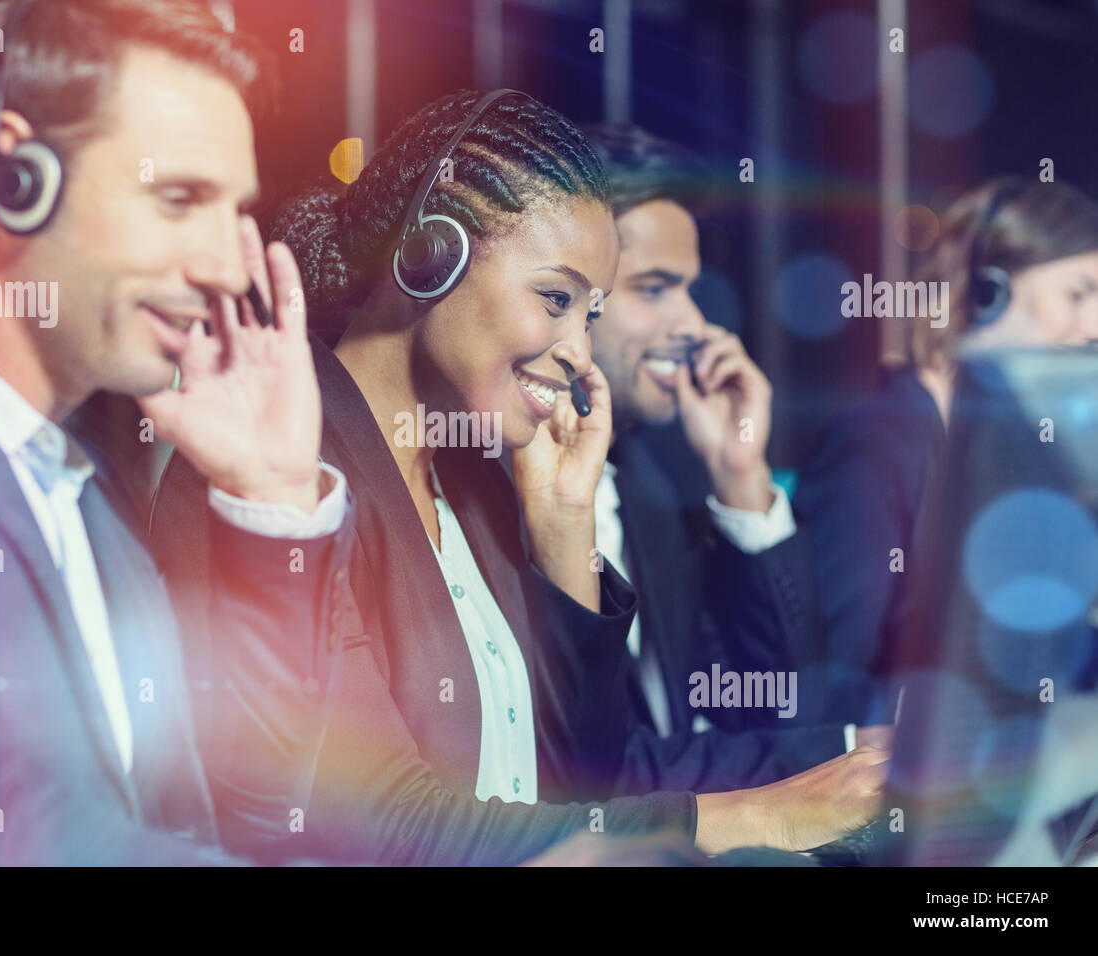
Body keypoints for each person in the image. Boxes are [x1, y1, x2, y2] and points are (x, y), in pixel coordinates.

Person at [153, 89, 888, 866]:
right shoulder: (277, 467)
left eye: (591, 315)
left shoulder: (476, 489)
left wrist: (563, 524)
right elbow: (379, 830)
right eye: (556, 298)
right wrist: (751, 819)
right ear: (428, 255)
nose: (578, 348)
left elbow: (586, 779)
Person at [0, 0, 353, 865]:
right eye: (178, 200)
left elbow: (246, 824)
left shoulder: (74, 496)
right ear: (20, 175)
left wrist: (270, 497)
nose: (222, 266)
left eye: (233, 212)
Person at [578, 123, 868, 791]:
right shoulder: (486, 495)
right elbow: (591, 775)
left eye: (689, 289)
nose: (691, 324)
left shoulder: (643, 493)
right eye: (653, 288)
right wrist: (847, 753)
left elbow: (780, 707)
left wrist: (742, 477)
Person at [793, 176, 1098, 724]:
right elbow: (830, 684)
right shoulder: (877, 447)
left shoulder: (1017, 450)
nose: (1095, 327)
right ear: (986, 295)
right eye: (1078, 294)